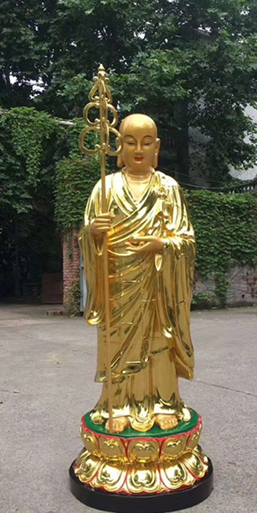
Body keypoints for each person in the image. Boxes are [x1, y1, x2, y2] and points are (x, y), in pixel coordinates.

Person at [78, 113, 196, 433]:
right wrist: (94, 233)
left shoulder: (168, 188)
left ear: (157, 146)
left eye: (146, 143)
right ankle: (117, 405)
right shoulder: (105, 188)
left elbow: (186, 240)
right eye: (130, 142)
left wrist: (163, 245)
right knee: (117, 343)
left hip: (158, 285)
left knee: (159, 341)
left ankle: (164, 402)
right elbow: (87, 237)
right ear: (119, 147)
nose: (139, 150)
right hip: (118, 285)